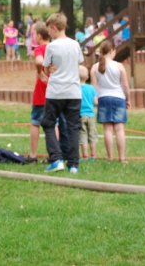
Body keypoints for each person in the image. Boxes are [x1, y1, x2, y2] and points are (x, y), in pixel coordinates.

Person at [41, 13, 84, 174]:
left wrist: (50, 69)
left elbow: (46, 69)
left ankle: (56, 159)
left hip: (55, 92)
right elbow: (79, 62)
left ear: (53, 27)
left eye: (49, 30)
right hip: (73, 91)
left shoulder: (52, 46)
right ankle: (74, 164)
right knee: (73, 127)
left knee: (49, 123)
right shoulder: (75, 44)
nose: (49, 34)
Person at [90, 41, 130, 163]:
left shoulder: (95, 67)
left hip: (103, 99)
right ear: (112, 50)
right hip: (118, 98)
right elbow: (125, 86)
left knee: (107, 129)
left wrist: (95, 100)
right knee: (119, 129)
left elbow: (94, 87)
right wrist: (128, 99)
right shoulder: (119, 66)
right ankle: (122, 158)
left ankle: (110, 157)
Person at [27, 22, 50, 163]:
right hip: (55, 93)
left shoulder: (40, 48)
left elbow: (39, 61)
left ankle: (33, 155)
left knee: (35, 123)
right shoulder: (55, 48)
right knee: (53, 125)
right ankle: (53, 154)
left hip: (42, 93)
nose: (33, 36)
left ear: (40, 36)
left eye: (34, 33)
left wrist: (40, 73)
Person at [79, 65, 98, 161]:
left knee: (82, 134)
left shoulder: (76, 88)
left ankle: (85, 156)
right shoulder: (91, 88)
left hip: (80, 115)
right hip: (91, 115)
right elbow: (96, 102)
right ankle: (93, 155)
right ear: (87, 77)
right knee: (92, 135)